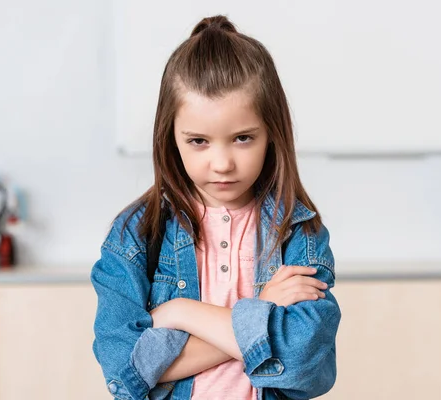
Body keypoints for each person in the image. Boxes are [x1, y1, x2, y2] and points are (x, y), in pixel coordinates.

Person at [91, 14, 341, 400]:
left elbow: (304, 364)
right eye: (199, 141)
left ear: (272, 135)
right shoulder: (135, 235)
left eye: (243, 138)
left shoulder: (299, 233)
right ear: (170, 136)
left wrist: (179, 312)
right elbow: (124, 373)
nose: (222, 163)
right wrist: (263, 310)